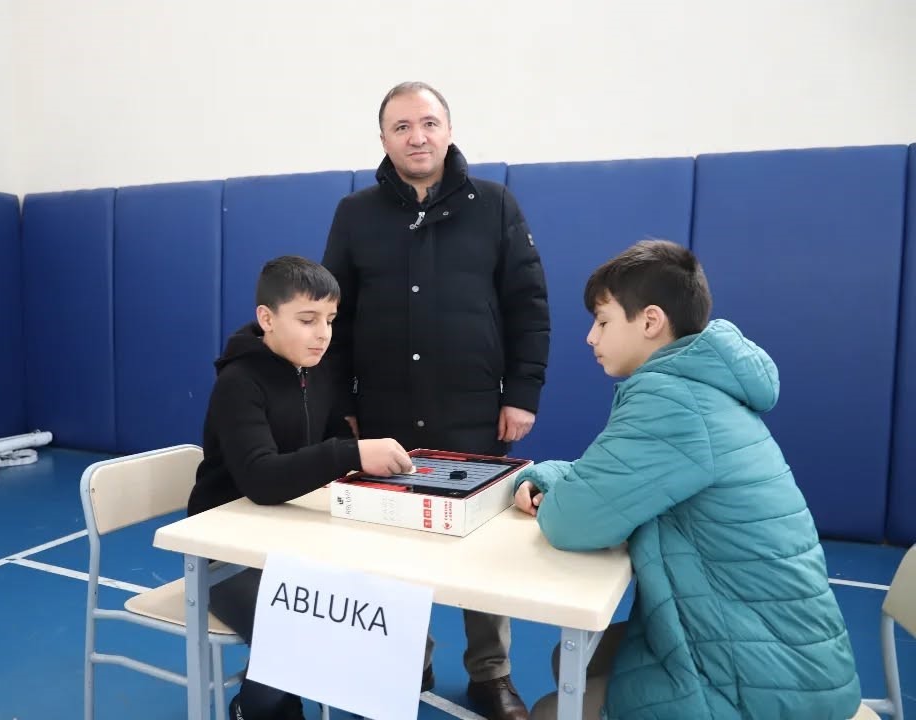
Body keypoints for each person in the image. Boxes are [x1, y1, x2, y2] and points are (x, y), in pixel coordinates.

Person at [513, 240, 862, 720]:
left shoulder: (670, 400)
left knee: (553, 709)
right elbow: (616, 479)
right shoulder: (700, 384)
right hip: (779, 650)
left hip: (760, 680)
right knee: (569, 658)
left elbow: (571, 522)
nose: (591, 338)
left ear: (651, 321)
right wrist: (549, 474)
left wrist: (553, 492)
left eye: (603, 321)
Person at [322, 81, 549, 720]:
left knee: (483, 549)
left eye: (428, 123)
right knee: (392, 547)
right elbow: (333, 319)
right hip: (386, 413)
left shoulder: (496, 206)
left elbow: (528, 306)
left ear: (448, 129)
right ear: (384, 139)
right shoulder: (355, 215)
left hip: (476, 410)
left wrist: (522, 392)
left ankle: (490, 674)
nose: (416, 137)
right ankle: (404, 658)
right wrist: (345, 406)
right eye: (401, 127)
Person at [187, 255, 413, 720]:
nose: (323, 333)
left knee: (378, 594)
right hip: (225, 555)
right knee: (295, 629)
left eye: (329, 320)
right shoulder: (238, 382)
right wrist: (353, 453)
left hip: (290, 537)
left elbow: (332, 444)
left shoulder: (319, 371)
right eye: (307, 320)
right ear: (266, 318)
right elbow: (262, 479)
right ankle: (257, 709)